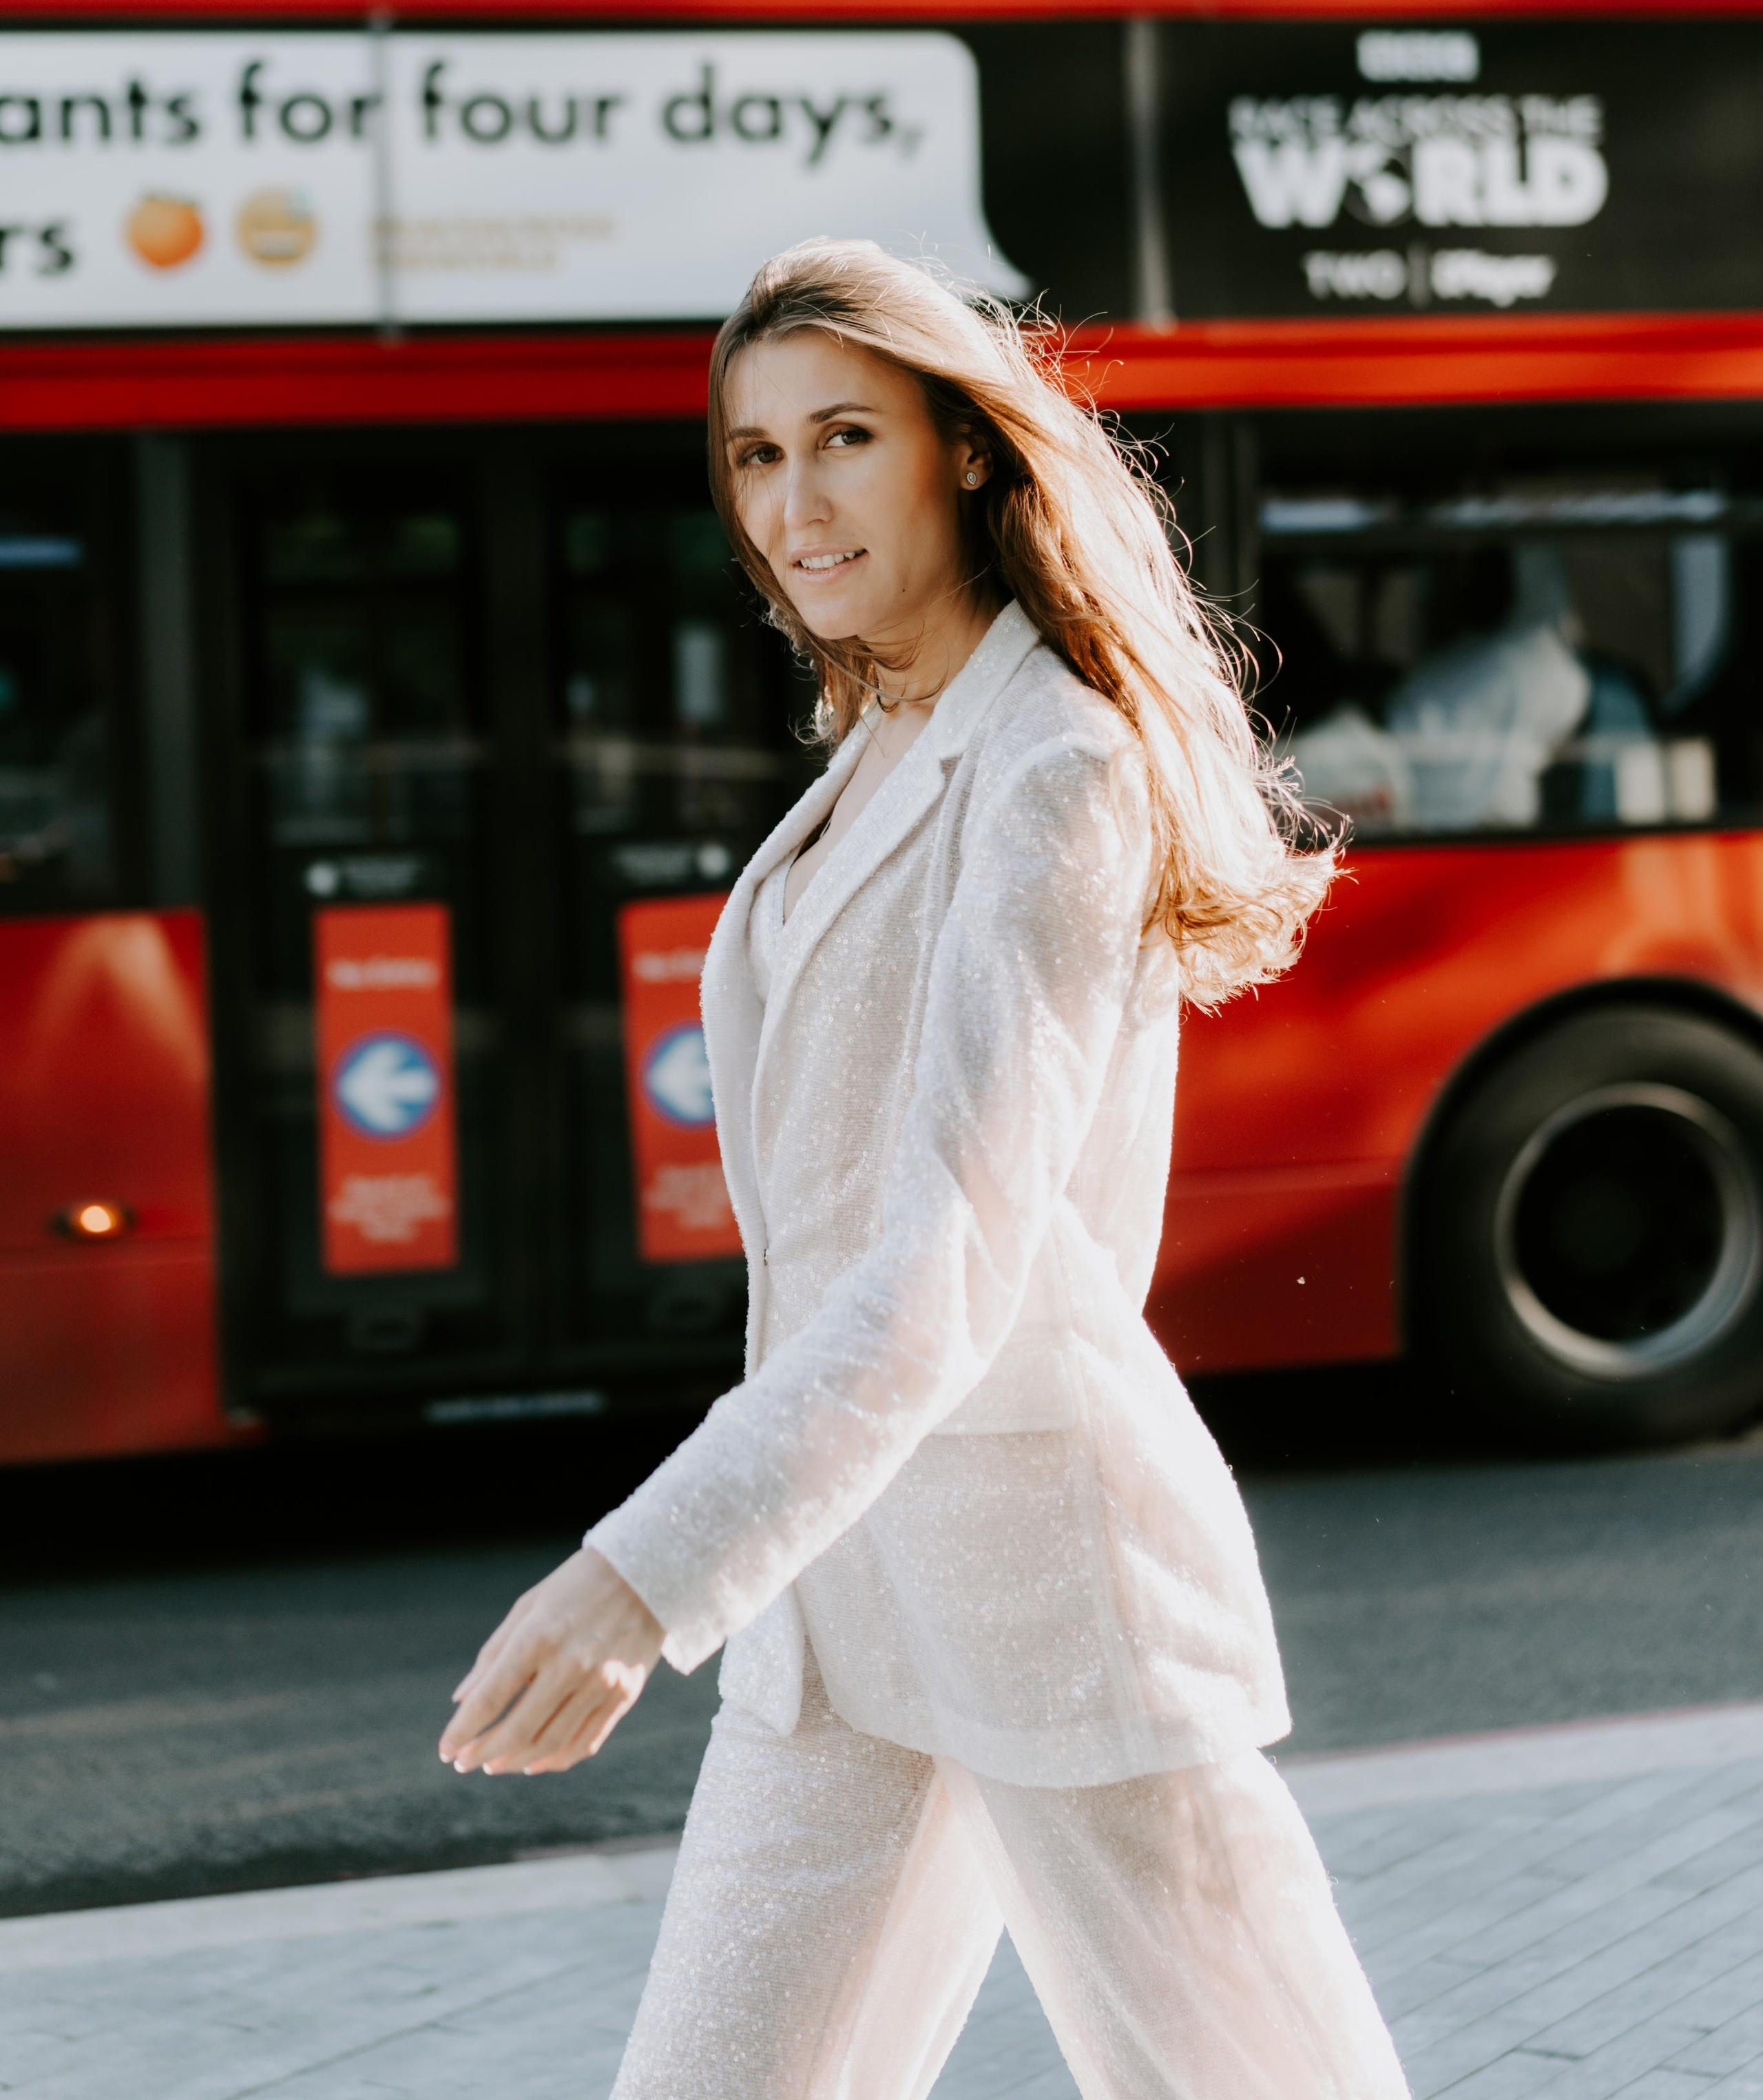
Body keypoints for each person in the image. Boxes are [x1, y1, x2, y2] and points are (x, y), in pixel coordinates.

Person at [439, 240, 1410, 2100]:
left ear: (965, 448)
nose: (792, 503)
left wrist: (645, 1576)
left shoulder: (1054, 762)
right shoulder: (889, 733)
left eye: (843, 438)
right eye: (751, 456)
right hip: (843, 1614)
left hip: (1052, 1591)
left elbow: (947, 1259)